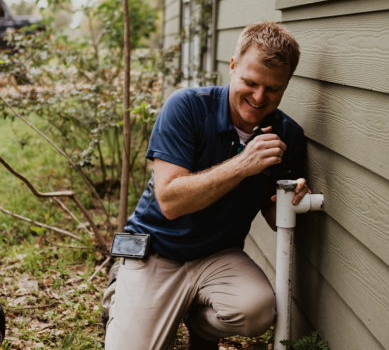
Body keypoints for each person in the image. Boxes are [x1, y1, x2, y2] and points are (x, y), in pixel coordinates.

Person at [103, 21, 312, 350]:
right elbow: (171, 201)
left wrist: (293, 201)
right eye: (250, 82)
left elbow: (274, 218)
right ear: (232, 67)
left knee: (257, 311)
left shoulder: (289, 136)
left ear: (287, 84)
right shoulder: (186, 107)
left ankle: (196, 322)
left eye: (273, 89)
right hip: (157, 252)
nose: (259, 97)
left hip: (219, 256)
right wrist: (243, 164)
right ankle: (125, 292)